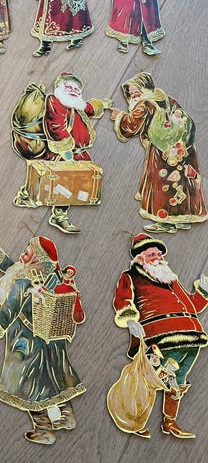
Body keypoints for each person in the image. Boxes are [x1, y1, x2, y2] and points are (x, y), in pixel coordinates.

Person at [0, 236, 86, 445]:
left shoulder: (23, 282)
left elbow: (10, 308)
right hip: (52, 340)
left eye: (27, 252)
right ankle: (66, 415)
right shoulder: (53, 276)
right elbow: (15, 269)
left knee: (27, 385)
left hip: (27, 343)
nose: (23, 254)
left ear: (37, 259)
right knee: (54, 378)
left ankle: (43, 428)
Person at [113, 233, 208, 438]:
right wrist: (130, 321)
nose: (158, 257)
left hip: (192, 336)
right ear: (140, 258)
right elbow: (123, 302)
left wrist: (203, 292)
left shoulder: (170, 278)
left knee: (179, 378)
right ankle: (135, 420)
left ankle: (169, 422)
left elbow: (192, 306)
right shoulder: (131, 276)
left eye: (159, 254)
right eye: (152, 254)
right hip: (161, 336)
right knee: (154, 379)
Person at [111, 72, 207, 233]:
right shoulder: (168, 99)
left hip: (162, 153)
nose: (134, 96)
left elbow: (130, 127)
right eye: (131, 93)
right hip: (183, 149)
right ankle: (184, 218)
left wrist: (119, 117)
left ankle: (165, 222)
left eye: (136, 92)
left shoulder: (144, 104)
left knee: (163, 185)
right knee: (184, 183)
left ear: (144, 89)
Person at [43, 72, 111, 232]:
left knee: (83, 181)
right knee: (65, 183)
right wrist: (66, 151)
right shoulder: (56, 101)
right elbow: (56, 126)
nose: (74, 90)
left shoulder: (72, 102)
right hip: (65, 153)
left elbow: (87, 108)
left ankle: (68, 205)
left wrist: (100, 105)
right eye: (69, 87)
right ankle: (59, 215)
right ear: (60, 87)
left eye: (76, 88)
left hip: (79, 153)